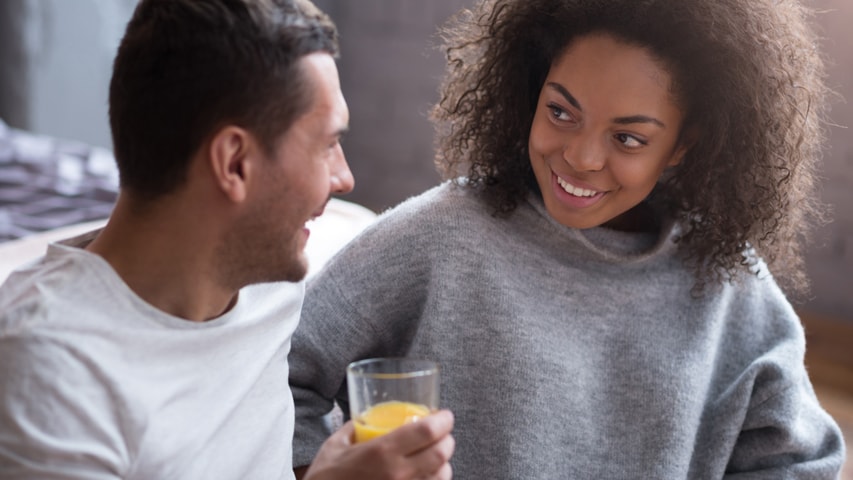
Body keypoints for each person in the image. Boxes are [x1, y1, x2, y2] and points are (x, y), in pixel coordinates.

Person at [288, 0, 846, 477]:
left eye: (627, 138)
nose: (580, 157)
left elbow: (801, 460)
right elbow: (283, 370)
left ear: (682, 146)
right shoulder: (443, 235)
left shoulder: (728, 284)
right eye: (560, 112)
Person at [0, 0, 454, 478]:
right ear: (234, 163)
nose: (345, 178)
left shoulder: (270, 279)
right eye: (326, 145)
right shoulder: (51, 373)